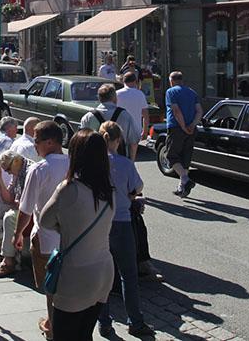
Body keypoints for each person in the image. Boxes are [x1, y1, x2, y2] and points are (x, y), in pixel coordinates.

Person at [39, 130, 114, 341]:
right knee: (84, 333)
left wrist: (66, 227)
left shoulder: (69, 189)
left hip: (75, 275)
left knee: (63, 335)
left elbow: (45, 220)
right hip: (103, 271)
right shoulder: (110, 191)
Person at [12, 120, 70, 339]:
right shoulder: (73, 164)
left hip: (46, 240)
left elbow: (25, 209)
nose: (34, 145)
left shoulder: (39, 169)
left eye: (36, 141)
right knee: (67, 287)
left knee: (51, 288)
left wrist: (18, 234)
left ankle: (53, 328)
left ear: (50, 142)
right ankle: (56, 323)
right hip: (72, 238)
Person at [96, 122, 153, 337]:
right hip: (121, 221)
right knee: (128, 275)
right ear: (118, 140)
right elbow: (137, 187)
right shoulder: (125, 163)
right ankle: (135, 321)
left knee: (103, 277)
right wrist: (129, 196)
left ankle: (104, 321)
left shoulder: (94, 164)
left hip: (99, 225)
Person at [165, 71, 202, 199]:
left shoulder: (171, 92)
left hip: (176, 128)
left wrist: (183, 126)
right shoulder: (192, 92)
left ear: (172, 81)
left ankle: (186, 180)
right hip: (192, 129)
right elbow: (199, 111)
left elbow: (176, 110)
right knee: (185, 157)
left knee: (171, 156)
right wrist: (192, 125)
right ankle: (182, 188)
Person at [80, 84, 139, 158]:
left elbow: (82, 143)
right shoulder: (125, 115)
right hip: (120, 161)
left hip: (94, 162)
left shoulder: (87, 117)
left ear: (99, 98)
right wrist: (130, 163)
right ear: (114, 98)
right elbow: (133, 143)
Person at [115, 73, 149, 159]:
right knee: (132, 156)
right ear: (135, 81)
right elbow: (145, 115)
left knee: (118, 154)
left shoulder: (117, 94)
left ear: (123, 81)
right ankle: (131, 168)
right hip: (136, 128)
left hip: (120, 128)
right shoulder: (140, 94)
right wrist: (145, 131)